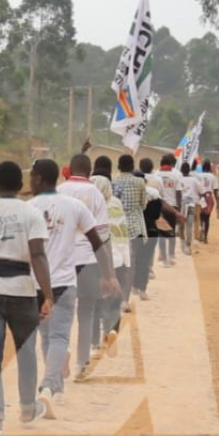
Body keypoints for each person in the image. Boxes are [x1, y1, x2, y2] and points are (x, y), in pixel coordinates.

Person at [0, 161, 53, 436]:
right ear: (20, 186)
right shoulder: (31, 213)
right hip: (23, 290)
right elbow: (38, 255)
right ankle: (28, 407)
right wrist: (48, 295)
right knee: (26, 352)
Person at [28, 159, 120, 415]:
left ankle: (52, 387)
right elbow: (97, 241)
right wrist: (108, 274)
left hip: (36, 284)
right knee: (59, 336)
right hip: (65, 283)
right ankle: (51, 388)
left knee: (47, 337)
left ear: (37, 178)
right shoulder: (75, 206)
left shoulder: (28, 208)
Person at [58, 154, 111, 377]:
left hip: (63, 261)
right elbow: (103, 234)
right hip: (89, 260)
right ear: (89, 172)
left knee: (62, 313)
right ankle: (82, 362)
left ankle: (64, 351)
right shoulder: (96, 195)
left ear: (71, 169)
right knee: (86, 312)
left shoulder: (59, 191)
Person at [90, 175, 129, 358]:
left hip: (97, 259)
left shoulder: (91, 206)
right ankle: (111, 330)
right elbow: (123, 230)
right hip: (118, 257)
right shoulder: (116, 204)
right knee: (114, 298)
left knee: (95, 302)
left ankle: (94, 342)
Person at [113, 155, 148, 305]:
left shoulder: (114, 182)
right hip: (135, 227)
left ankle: (114, 297)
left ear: (119, 166)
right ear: (132, 166)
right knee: (131, 263)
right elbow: (143, 205)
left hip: (117, 227)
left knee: (117, 262)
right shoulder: (140, 182)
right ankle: (124, 300)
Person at [157, 154, 181, 267]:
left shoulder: (156, 175)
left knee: (161, 233)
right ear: (171, 165)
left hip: (160, 207)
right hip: (172, 207)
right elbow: (179, 193)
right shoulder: (176, 176)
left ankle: (163, 257)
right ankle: (171, 255)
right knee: (172, 232)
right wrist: (178, 210)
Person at [179, 162, 204, 256]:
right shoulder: (194, 180)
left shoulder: (179, 179)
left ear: (181, 170)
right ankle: (188, 246)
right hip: (191, 205)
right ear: (189, 170)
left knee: (181, 226)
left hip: (181, 205)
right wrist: (197, 197)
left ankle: (182, 244)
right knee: (189, 226)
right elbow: (202, 191)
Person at [198, 160, 219, 243]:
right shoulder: (213, 177)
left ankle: (200, 233)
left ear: (202, 167)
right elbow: (216, 190)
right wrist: (217, 202)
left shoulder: (198, 176)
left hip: (200, 197)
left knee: (200, 217)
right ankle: (205, 237)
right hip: (208, 197)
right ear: (209, 168)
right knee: (207, 218)